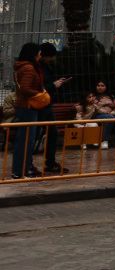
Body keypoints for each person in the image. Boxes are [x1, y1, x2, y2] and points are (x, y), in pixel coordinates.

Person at [9, 42, 58, 178]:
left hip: (25, 107)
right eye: (38, 52)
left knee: (24, 140)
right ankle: (20, 171)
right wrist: (40, 94)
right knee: (26, 141)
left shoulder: (24, 67)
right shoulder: (29, 68)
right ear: (33, 53)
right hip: (28, 107)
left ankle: (21, 170)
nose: (40, 54)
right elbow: (25, 89)